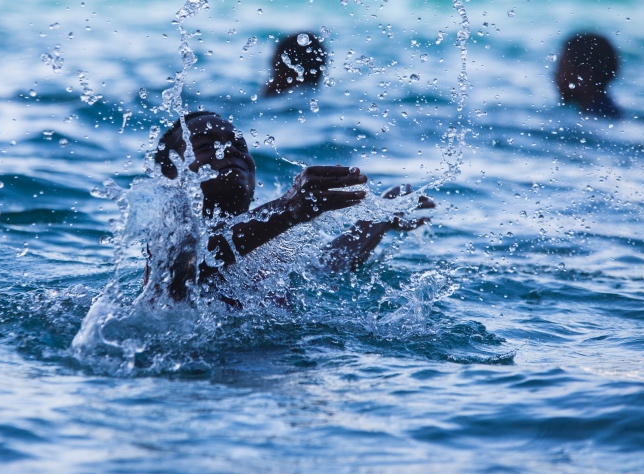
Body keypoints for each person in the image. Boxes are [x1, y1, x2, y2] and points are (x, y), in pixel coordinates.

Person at [149, 110, 433, 304]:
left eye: (239, 145)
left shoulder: (262, 256)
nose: (230, 151)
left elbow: (327, 265)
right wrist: (290, 208)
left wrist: (380, 217)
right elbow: (195, 260)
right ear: (169, 177)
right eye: (206, 145)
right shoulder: (165, 243)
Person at [554, 32, 624, 119]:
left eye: (561, 68)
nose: (555, 75)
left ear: (583, 75)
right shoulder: (609, 111)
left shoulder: (597, 118)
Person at [262, 32, 328, 97]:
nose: (268, 82)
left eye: (276, 72)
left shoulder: (273, 102)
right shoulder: (321, 99)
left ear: (292, 74)